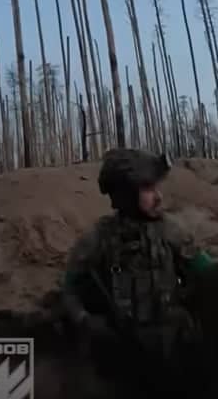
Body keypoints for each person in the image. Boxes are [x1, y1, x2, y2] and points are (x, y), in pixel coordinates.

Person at [63, 148, 216, 398]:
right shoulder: (100, 237)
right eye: (148, 190)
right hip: (126, 349)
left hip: (174, 343)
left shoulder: (169, 230)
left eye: (156, 188)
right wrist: (85, 320)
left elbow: (205, 269)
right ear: (125, 195)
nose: (158, 196)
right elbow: (70, 285)